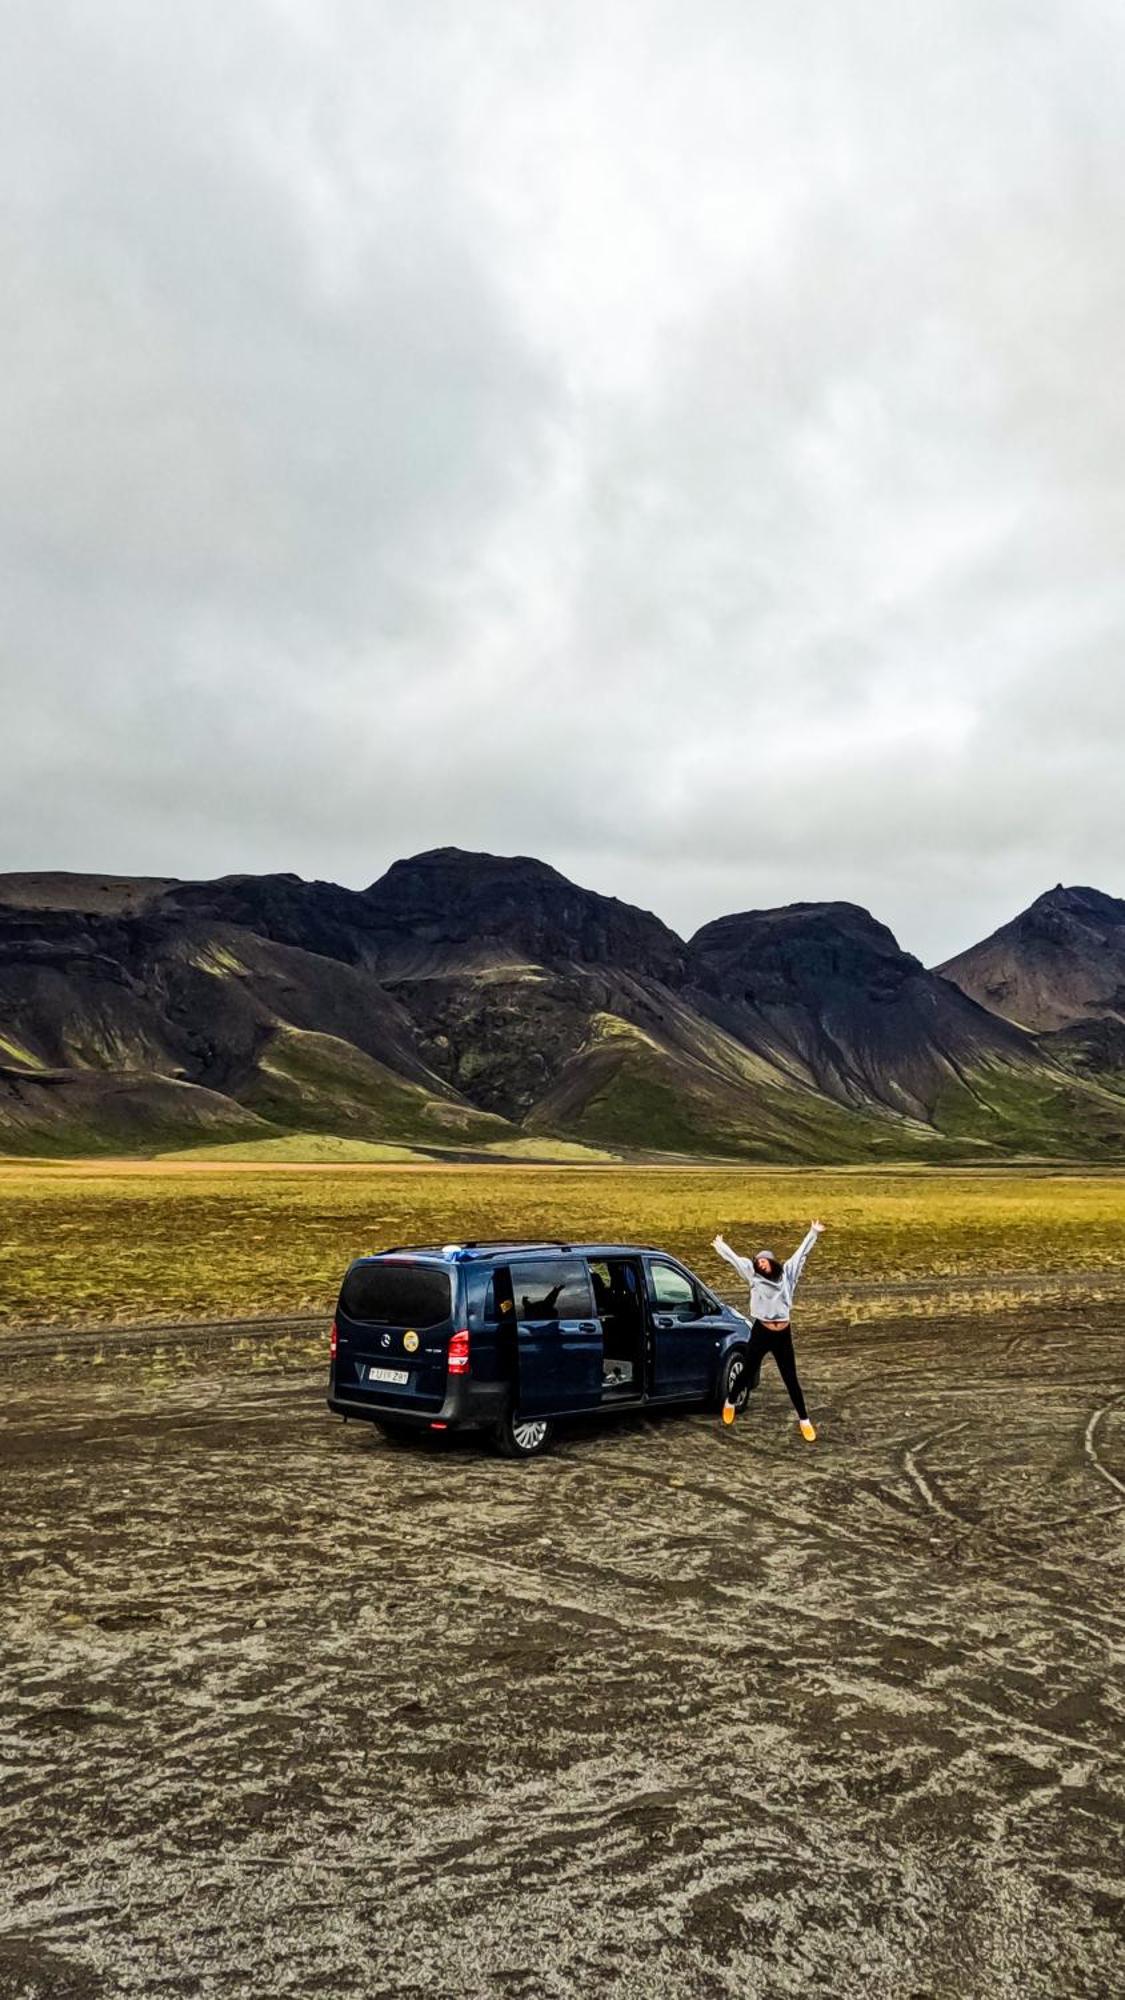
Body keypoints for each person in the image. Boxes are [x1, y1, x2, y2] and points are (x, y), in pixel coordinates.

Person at [711, 1222, 826, 1440]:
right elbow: (735, 1260)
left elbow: (801, 1253)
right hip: (761, 1331)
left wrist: (813, 1233)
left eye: (764, 1261)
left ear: (772, 1262)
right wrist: (721, 1245)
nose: (761, 1265)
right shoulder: (753, 1276)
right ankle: (731, 1400)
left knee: (790, 1377)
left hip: (782, 1333)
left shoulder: (787, 1275)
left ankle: (804, 1420)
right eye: (758, 1262)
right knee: (747, 1370)